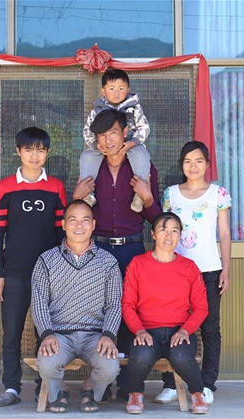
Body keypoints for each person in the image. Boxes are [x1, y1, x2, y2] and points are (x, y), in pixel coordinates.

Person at [73, 109, 161, 400]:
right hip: (98, 249)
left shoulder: (141, 167)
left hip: (132, 249)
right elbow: (77, 215)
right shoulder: (91, 167)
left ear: (125, 133)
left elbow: (156, 218)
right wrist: (76, 198)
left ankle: (127, 382)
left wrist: (147, 198)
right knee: (97, 311)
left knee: (130, 311)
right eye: (101, 135)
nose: (107, 140)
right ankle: (99, 378)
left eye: (112, 133)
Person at [0, 127, 67, 407]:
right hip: (13, 274)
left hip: (48, 275)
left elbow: (61, 233)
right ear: (18, 152)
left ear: (47, 153)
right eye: (29, 150)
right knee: (11, 333)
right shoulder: (5, 186)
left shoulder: (55, 187)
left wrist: (61, 271)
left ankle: (43, 387)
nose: (34, 156)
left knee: (45, 334)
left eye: (40, 150)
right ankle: (11, 387)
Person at [31, 200, 122, 413]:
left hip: (95, 336)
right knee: (47, 364)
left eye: (85, 220)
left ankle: (89, 388)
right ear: (63, 225)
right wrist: (47, 334)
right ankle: (60, 392)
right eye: (73, 220)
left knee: (110, 367)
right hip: (59, 335)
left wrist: (108, 335)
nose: (79, 225)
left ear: (93, 225)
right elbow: (38, 301)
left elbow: (114, 304)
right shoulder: (46, 260)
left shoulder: (108, 262)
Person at [159, 141, 232, 406]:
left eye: (199, 161)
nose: (193, 166)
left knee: (209, 328)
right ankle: (171, 383)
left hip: (209, 270)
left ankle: (207, 383)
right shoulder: (171, 194)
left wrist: (226, 269)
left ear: (207, 164)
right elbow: (164, 231)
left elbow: (224, 233)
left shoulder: (218, 194)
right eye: (188, 161)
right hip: (175, 270)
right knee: (171, 325)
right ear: (182, 165)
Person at [122, 212, 210, 414]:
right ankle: (135, 393)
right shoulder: (138, 264)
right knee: (141, 356)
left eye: (174, 231)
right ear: (153, 234)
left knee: (181, 357)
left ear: (180, 236)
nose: (169, 236)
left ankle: (197, 394)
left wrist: (185, 330)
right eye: (163, 230)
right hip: (146, 331)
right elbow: (127, 304)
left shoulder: (189, 267)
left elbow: (201, 307)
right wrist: (139, 330)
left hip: (179, 331)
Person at [80, 69, 151, 213]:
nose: (116, 93)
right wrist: (95, 145)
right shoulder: (97, 110)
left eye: (121, 89)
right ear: (103, 91)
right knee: (87, 156)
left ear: (128, 90)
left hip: (130, 144)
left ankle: (139, 196)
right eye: (111, 89)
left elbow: (144, 127)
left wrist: (134, 142)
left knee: (141, 155)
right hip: (103, 146)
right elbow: (87, 130)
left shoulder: (134, 107)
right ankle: (88, 195)